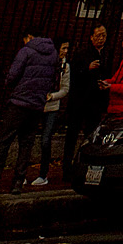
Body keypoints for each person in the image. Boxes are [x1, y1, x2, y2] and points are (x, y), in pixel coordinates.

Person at [0, 30, 57, 193]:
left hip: (19, 102)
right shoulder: (53, 53)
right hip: (37, 104)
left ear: (29, 37)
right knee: (26, 144)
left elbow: (13, 75)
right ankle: (17, 182)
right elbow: (52, 78)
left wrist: (11, 85)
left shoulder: (26, 51)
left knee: (4, 142)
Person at [61, 24, 110, 185]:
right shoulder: (82, 53)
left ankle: (87, 168)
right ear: (91, 37)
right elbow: (74, 74)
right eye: (98, 35)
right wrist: (87, 68)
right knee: (72, 136)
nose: (101, 38)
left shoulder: (106, 54)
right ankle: (67, 169)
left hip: (94, 104)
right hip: (80, 102)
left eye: (103, 35)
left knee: (91, 137)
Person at [30, 39, 72, 187]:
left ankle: (43, 173)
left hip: (52, 106)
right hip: (37, 104)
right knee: (27, 138)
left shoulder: (65, 67)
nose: (65, 51)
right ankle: (21, 172)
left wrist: (53, 96)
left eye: (67, 48)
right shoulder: (46, 63)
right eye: (63, 48)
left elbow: (65, 89)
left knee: (45, 140)